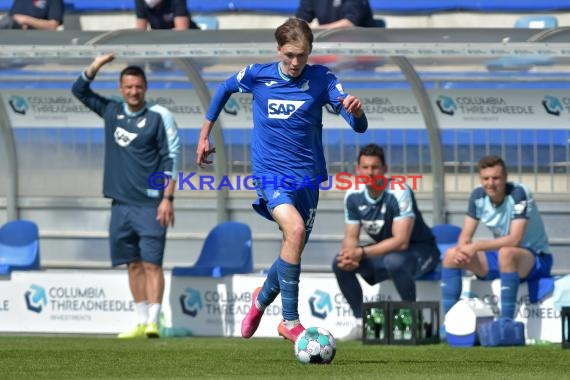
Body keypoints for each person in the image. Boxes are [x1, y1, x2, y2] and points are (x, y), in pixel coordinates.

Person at [196, 18, 368, 343]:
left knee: (293, 247)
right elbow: (223, 88)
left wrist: (357, 113)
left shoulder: (322, 79)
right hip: (270, 174)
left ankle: (261, 299)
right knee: (295, 230)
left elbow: (357, 125)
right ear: (278, 50)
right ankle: (290, 321)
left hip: (308, 179)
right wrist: (204, 134)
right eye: (289, 55)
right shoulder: (258, 75)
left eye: (301, 56)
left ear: (310, 52)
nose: (294, 62)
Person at [71, 53, 181, 339]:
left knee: (152, 264)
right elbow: (78, 90)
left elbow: (171, 158)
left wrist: (167, 199)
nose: (133, 91)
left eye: (138, 86)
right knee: (132, 264)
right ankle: (141, 321)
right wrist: (96, 65)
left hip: (151, 204)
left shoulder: (159, 117)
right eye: (128, 87)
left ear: (145, 88)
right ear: (121, 88)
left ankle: (154, 323)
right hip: (120, 205)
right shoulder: (111, 112)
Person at [332, 143, 439, 340]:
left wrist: (362, 253)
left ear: (385, 169)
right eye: (365, 167)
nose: (370, 173)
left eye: (375, 167)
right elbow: (350, 237)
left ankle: (411, 320)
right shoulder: (352, 195)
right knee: (339, 263)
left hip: (422, 251)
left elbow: (401, 242)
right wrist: (349, 255)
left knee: (394, 260)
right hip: (387, 254)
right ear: (357, 170)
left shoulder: (399, 191)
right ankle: (360, 323)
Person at [441, 155, 553, 319]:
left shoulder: (519, 193)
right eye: (486, 178)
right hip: (502, 258)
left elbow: (515, 240)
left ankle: (506, 322)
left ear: (505, 178)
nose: (490, 183)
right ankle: (450, 322)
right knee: (451, 255)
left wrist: (476, 246)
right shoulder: (477, 196)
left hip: (535, 257)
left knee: (507, 252)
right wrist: (462, 251)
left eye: (496, 178)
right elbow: (465, 237)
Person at [295, 0, 376, 29]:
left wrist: (316, 30)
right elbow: (302, 18)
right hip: (327, 43)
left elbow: (350, 22)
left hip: (359, 45)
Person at [135, 0, 200, 30]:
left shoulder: (176, 2)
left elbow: (182, 30)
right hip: (159, 42)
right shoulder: (141, 2)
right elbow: (141, 31)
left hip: (187, 41)